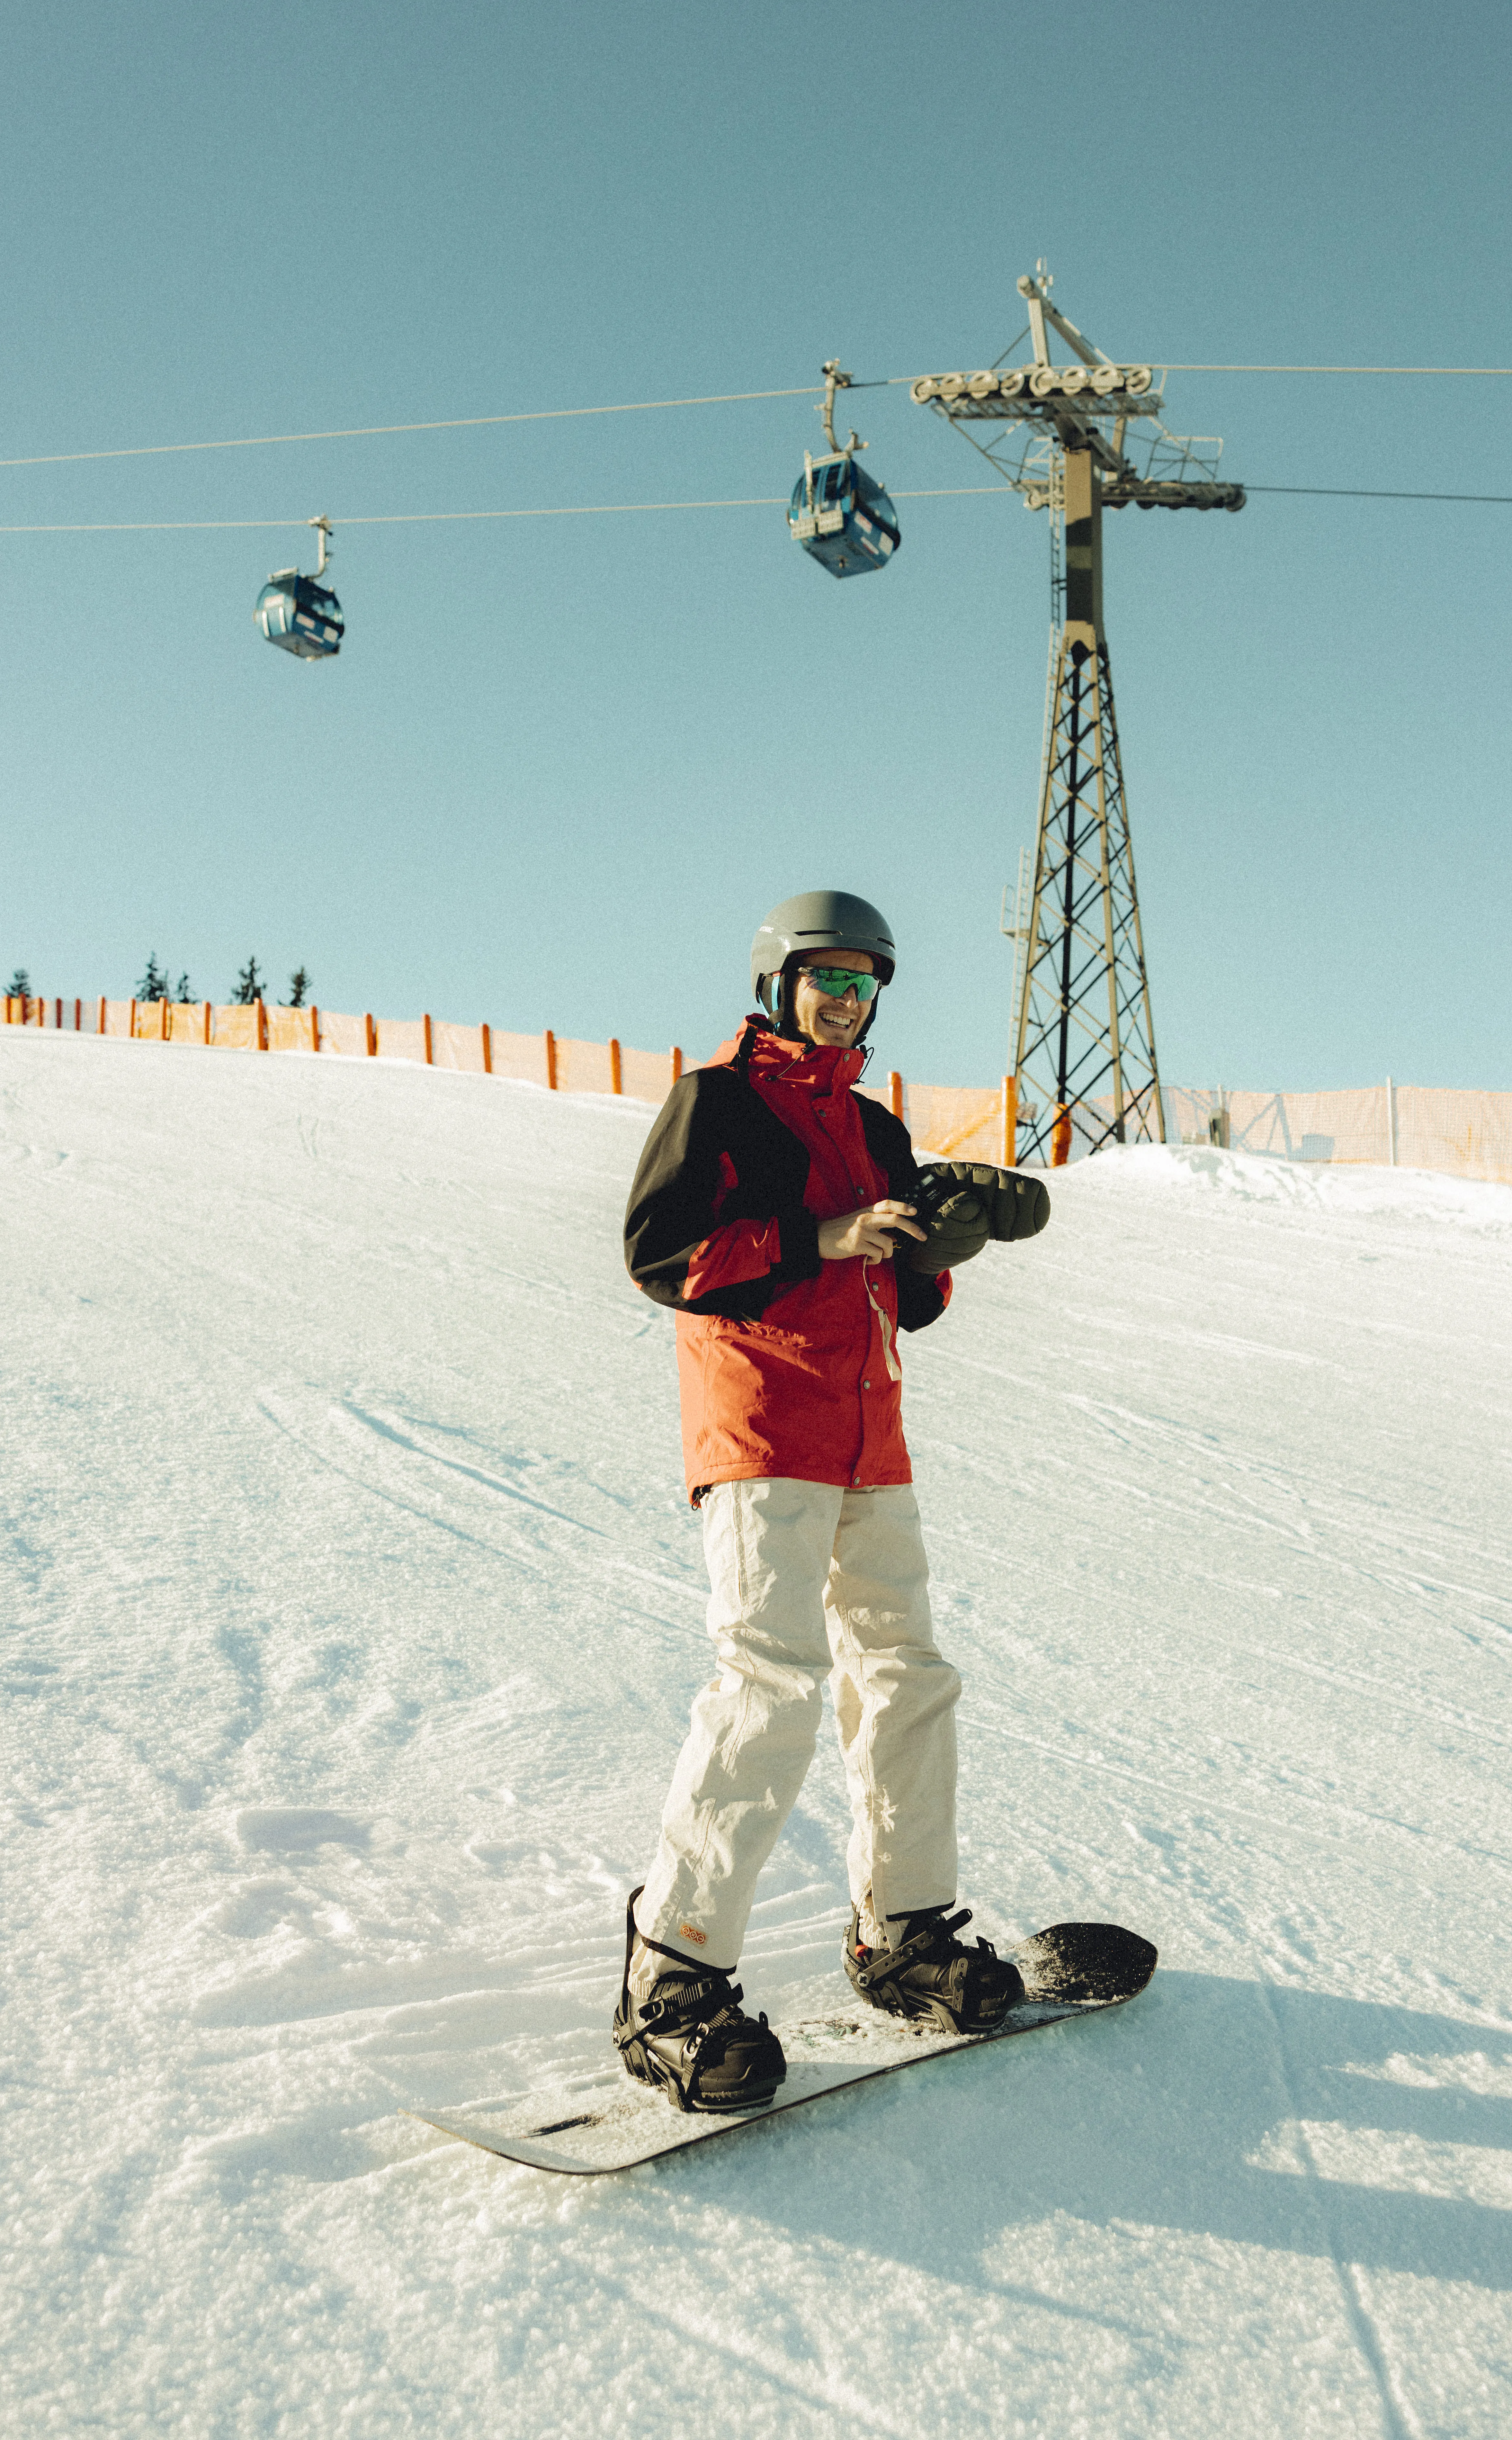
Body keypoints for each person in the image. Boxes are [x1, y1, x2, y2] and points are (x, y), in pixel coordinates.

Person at [614, 890, 1051, 2112]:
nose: (845, 1000)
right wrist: (826, 1233)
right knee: (769, 1682)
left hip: (874, 1441)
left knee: (908, 1674)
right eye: (826, 979)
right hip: (762, 1432)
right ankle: (673, 1981)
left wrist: (939, 1244)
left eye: (865, 984)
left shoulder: (875, 1121)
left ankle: (904, 1932)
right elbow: (666, 1257)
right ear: (779, 984)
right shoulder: (718, 1104)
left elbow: (903, 1300)